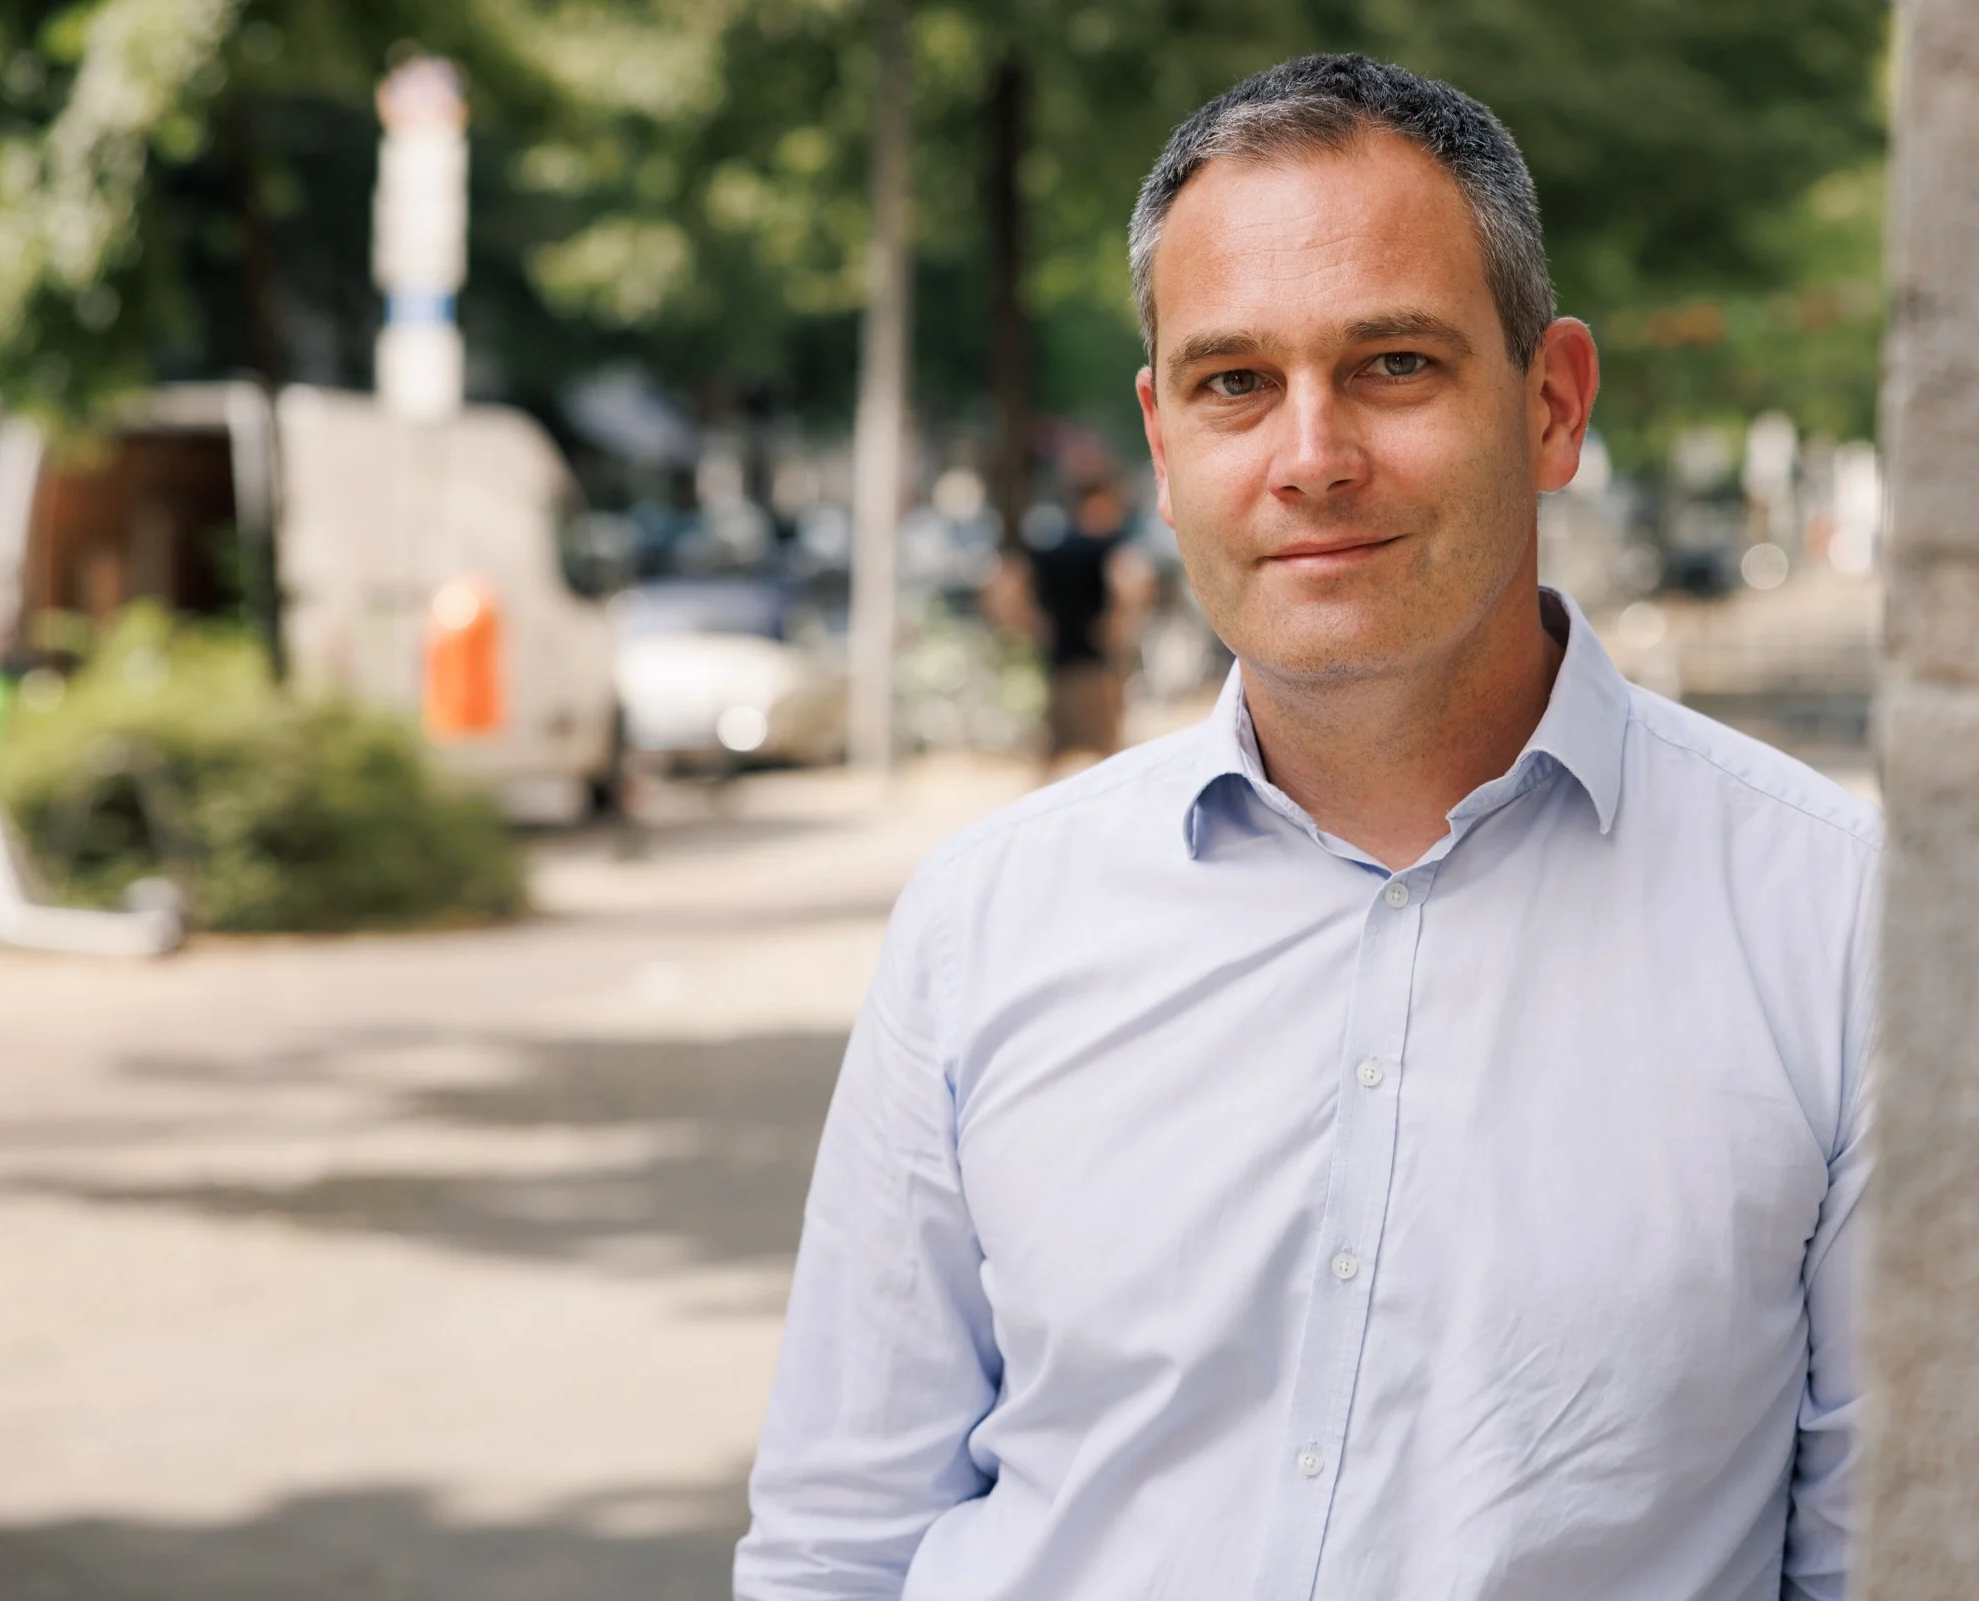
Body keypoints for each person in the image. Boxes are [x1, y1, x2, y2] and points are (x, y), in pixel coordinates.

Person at [738, 54, 1876, 1601]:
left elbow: (1890, 1558)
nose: (1313, 457)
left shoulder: (1840, 927)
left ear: (1552, 405)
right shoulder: (983, 923)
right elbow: (836, 1546)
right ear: (1162, 441)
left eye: (1395, 363)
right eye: (1234, 383)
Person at [983, 479, 1158, 774]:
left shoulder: (1052, 549)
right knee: (1113, 763)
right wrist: (1119, 624)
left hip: (1059, 668)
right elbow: (1132, 582)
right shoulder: (1108, 547)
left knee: (1055, 761)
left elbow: (1003, 581)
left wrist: (1029, 625)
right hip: (1097, 670)